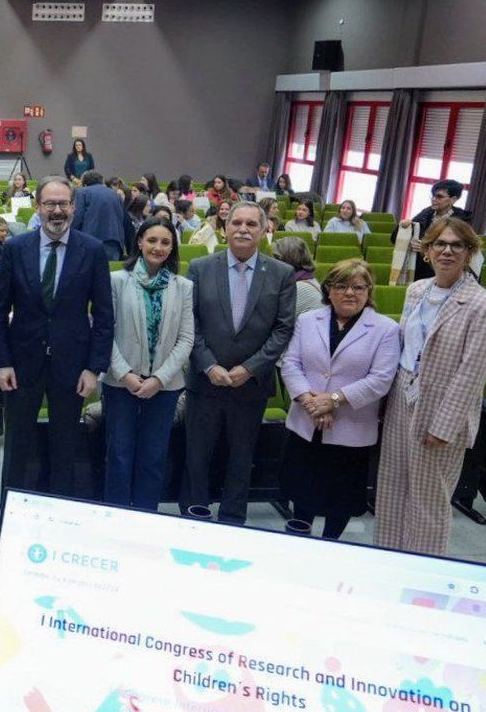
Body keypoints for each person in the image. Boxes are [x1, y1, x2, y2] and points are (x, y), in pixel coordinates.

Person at [376, 217, 486, 556]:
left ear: (470, 252)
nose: (447, 251)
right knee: (392, 488)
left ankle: (424, 571)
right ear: (427, 251)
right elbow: (405, 347)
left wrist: (443, 425)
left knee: (428, 498)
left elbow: (472, 375)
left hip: (442, 407)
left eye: (456, 245)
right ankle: (389, 558)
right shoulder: (417, 290)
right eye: (439, 244)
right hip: (402, 395)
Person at [0, 176, 114, 496]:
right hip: (21, 366)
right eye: (50, 204)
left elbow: (103, 317)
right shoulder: (15, 248)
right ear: (38, 207)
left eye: (63, 204)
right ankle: (11, 516)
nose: (56, 211)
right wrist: (1, 363)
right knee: (17, 448)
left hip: (72, 368)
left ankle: (57, 514)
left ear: (73, 207)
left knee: (65, 448)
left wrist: (94, 368)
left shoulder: (93, 250)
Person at [183, 201, 297, 524]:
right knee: (197, 457)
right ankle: (194, 516)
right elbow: (189, 322)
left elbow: (283, 328)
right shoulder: (201, 268)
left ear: (264, 230)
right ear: (226, 227)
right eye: (237, 223)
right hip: (205, 382)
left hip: (252, 385)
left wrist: (250, 368)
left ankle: (233, 520)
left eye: (251, 224)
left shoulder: (281, 273)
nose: (243, 230)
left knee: (241, 458)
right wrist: (209, 365)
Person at [280, 259, 400, 540]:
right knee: (302, 492)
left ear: (369, 292)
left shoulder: (386, 329)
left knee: (340, 499)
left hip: (350, 428)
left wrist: (333, 400)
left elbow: (381, 379)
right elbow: (290, 363)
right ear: (328, 290)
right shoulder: (308, 320)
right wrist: (311, 401)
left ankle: (331, 545)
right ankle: (299, 539)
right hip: (306, 422)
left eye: (359, 287)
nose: (350, 293)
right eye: (342, 286)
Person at [100, 216, 195, 510]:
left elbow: (186, 339)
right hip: (120, 384)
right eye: (151, 240)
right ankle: (116, 518)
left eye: (165, 242)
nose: (158, 247)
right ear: (139, 243)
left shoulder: (183, 287)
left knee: (153, 458)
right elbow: (105, 332)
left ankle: (145, 518)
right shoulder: (116, 280)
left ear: (173, 248)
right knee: (119, 455)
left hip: (164, 388)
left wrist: (159, 379)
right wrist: (126, 374)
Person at [407, 179, 475, 282]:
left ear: (453, 199)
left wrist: (425, 247)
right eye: (433, 195)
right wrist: (409, 238)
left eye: (439, 196)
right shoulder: (427, 212)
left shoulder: (462, 219)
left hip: (446, 268)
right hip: (420, 267)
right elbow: (396, 238)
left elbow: (459, 247)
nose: (433, 199)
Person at [73, 170, 134, 262]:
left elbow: (77, 217)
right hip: (114, 242)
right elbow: (124, 220)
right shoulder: (115, 194)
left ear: (84, 184)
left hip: (89, 241)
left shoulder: (81, 192)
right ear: (101, 182)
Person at [271, 236, 323, 317]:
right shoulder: (307, 280)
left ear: (286, 260)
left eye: (276, 258)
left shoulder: (298, 288)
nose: (273, 262)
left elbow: (273, 320)